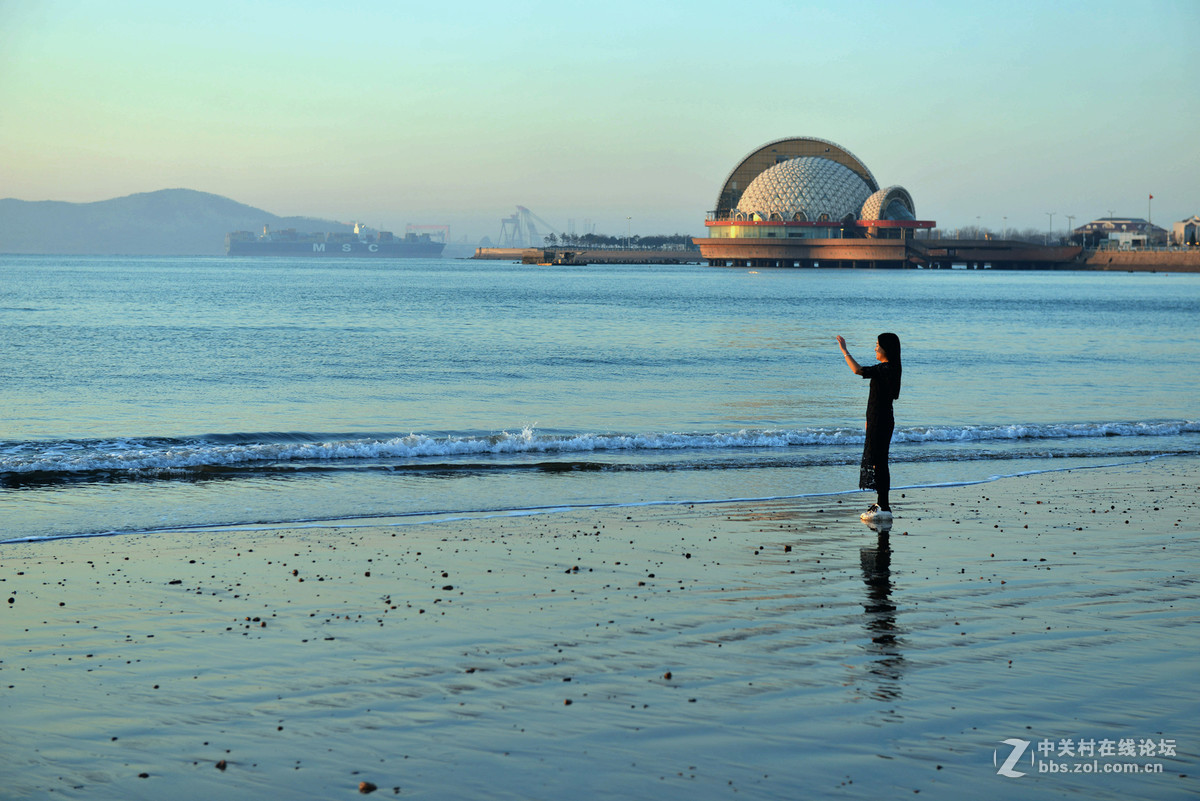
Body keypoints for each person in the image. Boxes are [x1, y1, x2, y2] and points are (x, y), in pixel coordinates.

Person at [835, 333, 902, 525]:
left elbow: (858, 370)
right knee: (879, 461)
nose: (875, 348)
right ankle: (882, 504)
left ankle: (884, 507)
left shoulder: (886, 368)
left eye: (877, 345)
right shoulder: (890, 368)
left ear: (886, 349)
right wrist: (868, 421)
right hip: (879, 419)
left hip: (880, 420)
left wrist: (845, 351)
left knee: (879, 462)